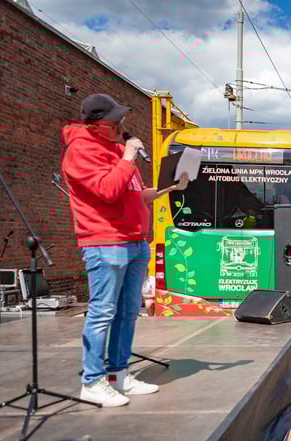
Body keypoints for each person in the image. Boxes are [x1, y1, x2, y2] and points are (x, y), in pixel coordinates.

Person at [62, 93, 190, 407]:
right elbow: (107, 190)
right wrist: (128, 158)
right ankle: (92, 382)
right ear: (95, 124)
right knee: (103, 312)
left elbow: (136, 194)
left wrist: (169, 188)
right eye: (114, 122)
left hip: (135, 241)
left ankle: (118, 374)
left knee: (128, 312)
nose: (121, 126)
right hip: (105, 242)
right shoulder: (81, 150)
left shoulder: (120, 152)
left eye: (122, 120)